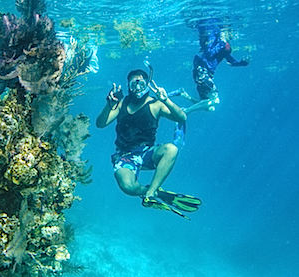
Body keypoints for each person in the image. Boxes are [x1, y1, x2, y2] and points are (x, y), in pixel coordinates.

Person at [96, 69, 201, 218]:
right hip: (124, 155)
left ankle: (151, 193)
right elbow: (100, 124)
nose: (137, 88)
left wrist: (166, 100)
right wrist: (109, 105)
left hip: (147, 154)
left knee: (171, 149)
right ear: (128, 86)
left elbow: (182, 117)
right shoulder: (121, 104)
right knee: (127, 186)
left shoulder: (155, 104)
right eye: (134, 84)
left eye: (141, 83)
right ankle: (150, 191)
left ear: (147, 85)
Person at [178, 18, 250, 113]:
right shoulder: (216, 39)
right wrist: (221, 43)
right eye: (230, 32)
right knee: (215, 100)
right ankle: (186, 111)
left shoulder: (225, 46)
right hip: (202, 72)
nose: (232, 35)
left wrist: (242, 63)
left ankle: (184, 95)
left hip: (203, 73)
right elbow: (209, 53)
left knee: (210, 107)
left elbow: (231, 61)